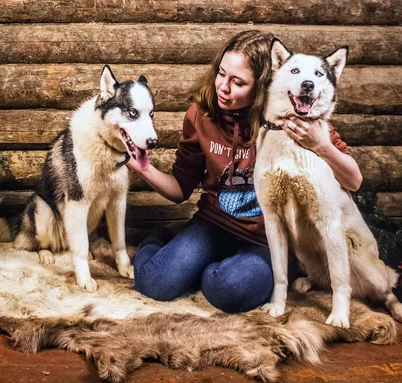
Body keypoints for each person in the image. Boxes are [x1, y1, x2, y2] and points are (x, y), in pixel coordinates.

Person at [127, 30, 363, 313]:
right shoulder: (200, 115)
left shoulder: (291, 119)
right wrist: (142, 166)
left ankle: (215, 267)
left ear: (262, 86)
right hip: (214, 224)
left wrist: (321, 145)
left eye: (238, 82)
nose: (223, 87)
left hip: (265, 239)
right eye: (221, 74)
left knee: (229, 289)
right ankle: (163, 239)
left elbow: (354, 180)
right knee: (155, 282)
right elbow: (180, 189)